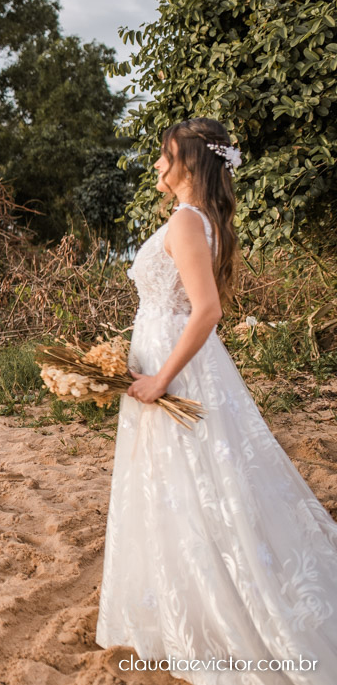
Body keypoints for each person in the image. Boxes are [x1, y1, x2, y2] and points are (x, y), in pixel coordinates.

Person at [96, 118, 337, 682]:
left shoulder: (185, 221)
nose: (157, 164)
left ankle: (219, 610)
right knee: (185, 484)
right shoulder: (195, 220)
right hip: (167, 359)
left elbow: (206, 311)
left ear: (191, 163)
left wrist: (161, 379)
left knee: (198, 484)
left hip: (177, 370)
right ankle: (185, 603)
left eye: (165, 155)